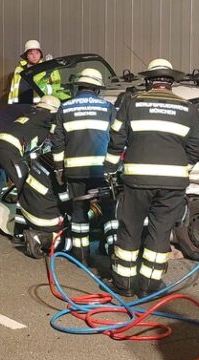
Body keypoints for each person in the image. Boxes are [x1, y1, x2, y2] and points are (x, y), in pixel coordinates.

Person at [103, 58, 199, 297]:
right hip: (172, 185)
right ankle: (150, 285)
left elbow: (116, 140)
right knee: (160, 232)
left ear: (148, 81)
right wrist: (183, 168)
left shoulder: (132, 104)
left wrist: (109, 170)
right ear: (171, 83)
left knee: (129, 229)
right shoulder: (188, 109)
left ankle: (124, 284)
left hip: (137, 182)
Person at [51, 68, 116, 266]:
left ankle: (81, 256)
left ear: (78, 86)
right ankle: (114, 252)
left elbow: (57, 142)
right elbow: (117, 138)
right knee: (109, 212)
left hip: (75, 171)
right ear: (97, 89)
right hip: (101, 171)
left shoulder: (65, 108)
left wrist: (59, 169)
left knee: (79, 212)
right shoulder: (107, 108)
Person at [0, 95, 61, 240]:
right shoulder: (47, 116)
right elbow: (55, 136)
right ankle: (21, 230)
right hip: (10, 150)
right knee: (26, 186)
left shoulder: (31, 114)